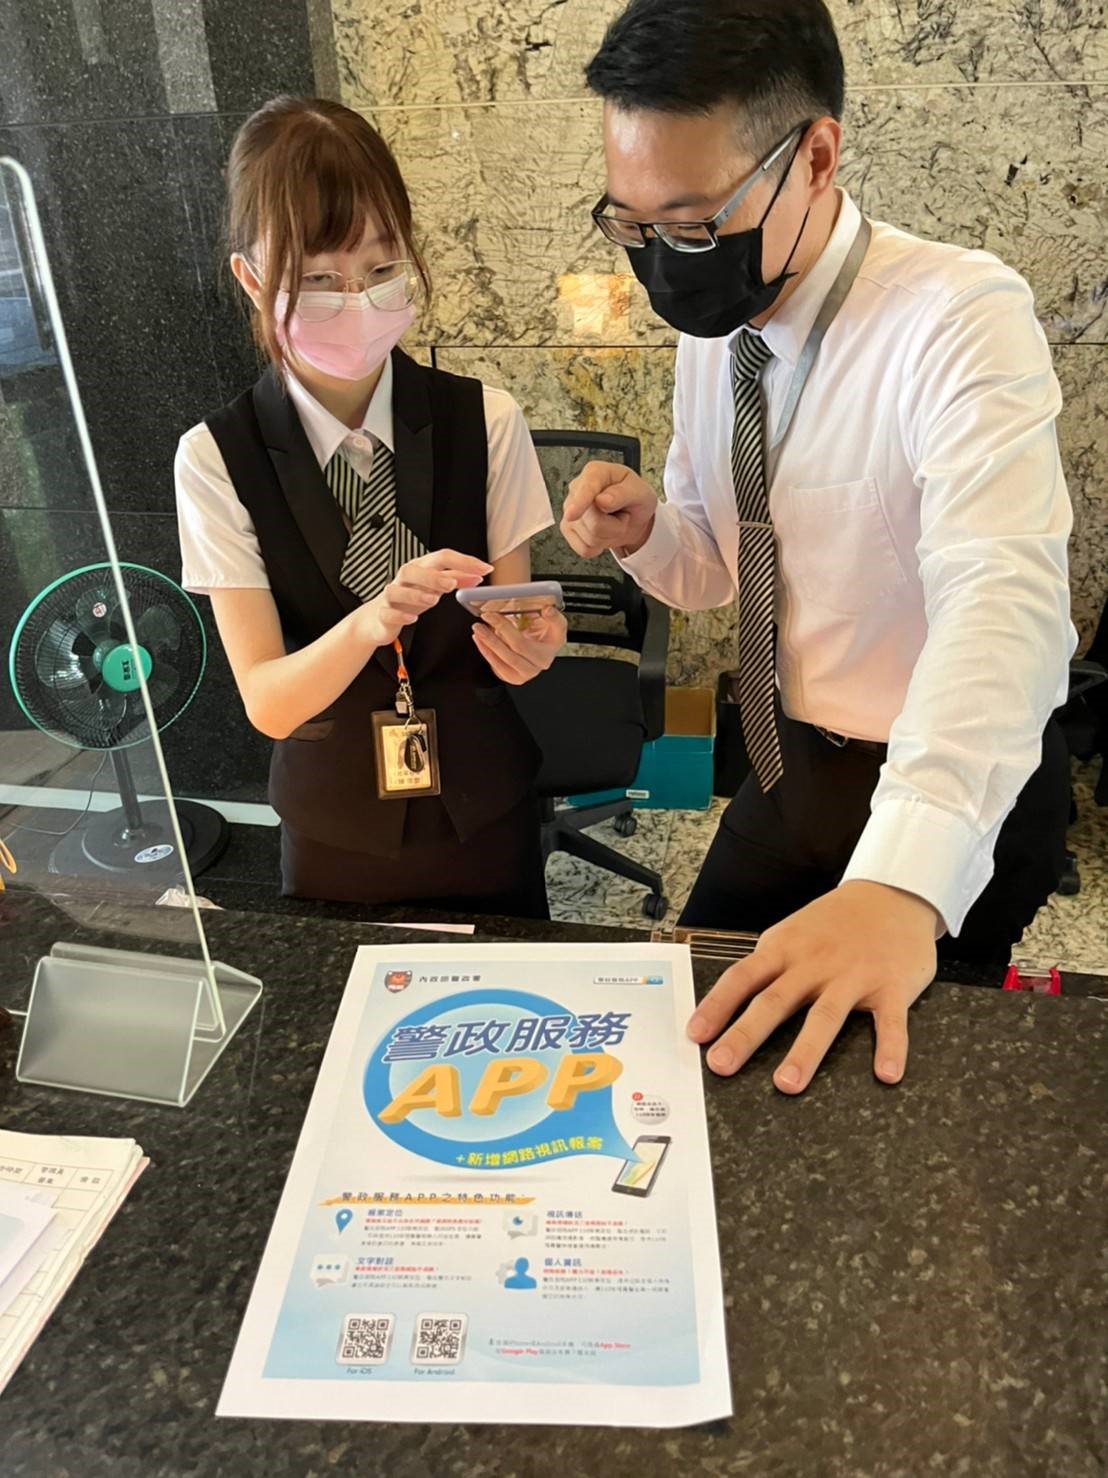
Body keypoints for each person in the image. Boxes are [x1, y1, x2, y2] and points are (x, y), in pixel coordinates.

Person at [564, 0, 1075, 1092]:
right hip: (788, 764)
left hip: (945, 775)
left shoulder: (956, 316)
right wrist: (650, 531)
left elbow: (1004, 600)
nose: (667, 265)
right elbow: (721, 567)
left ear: (816, 157)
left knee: (879, 1093)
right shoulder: (717, 333)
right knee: (696, 1033)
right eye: (634, 227)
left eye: (693, 225)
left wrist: (902, 882)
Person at [175, 97, 566, 916]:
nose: (356, 300)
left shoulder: (486, 421)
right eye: (319, 279)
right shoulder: (217, 458)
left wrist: (533, 644)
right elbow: (268, 701)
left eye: (382, 269)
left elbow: (517, 620)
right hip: (334, 826)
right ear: (252, 278)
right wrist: (370, 621)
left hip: (485, 809)